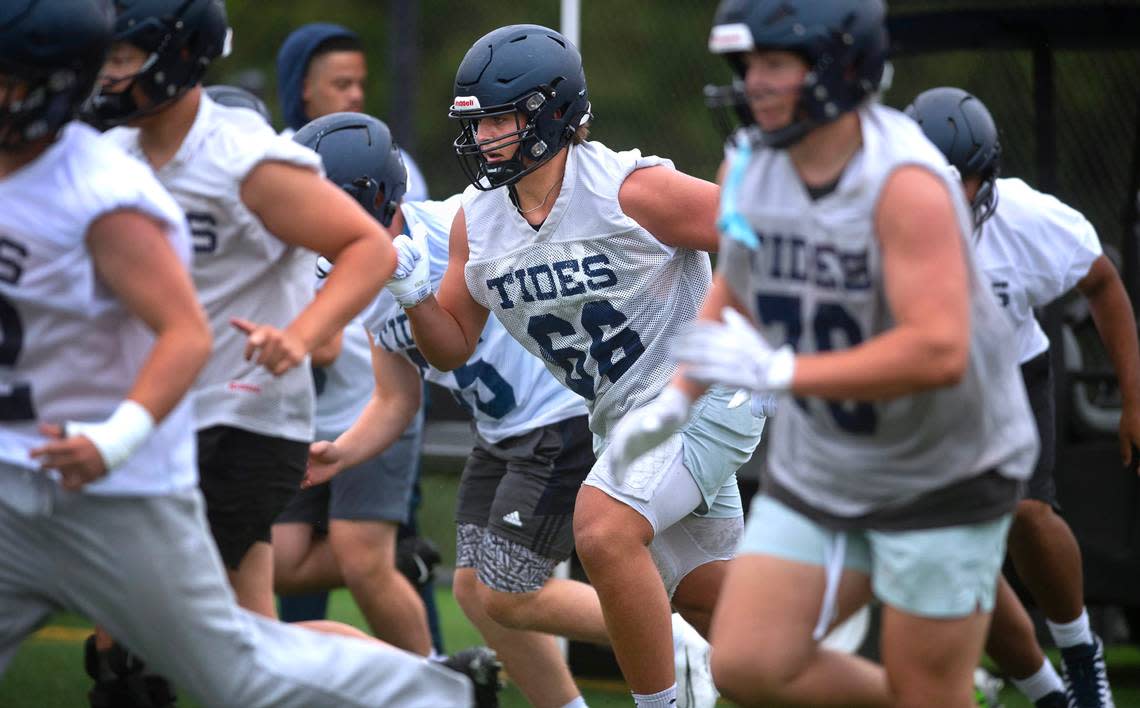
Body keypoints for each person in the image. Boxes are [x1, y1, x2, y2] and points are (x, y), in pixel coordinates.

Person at [0, 2, 487, 706]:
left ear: (179, 52)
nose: (109, 73)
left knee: (156, 656)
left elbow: (368, 247)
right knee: (232, 646)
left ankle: (429, 690)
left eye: (126, 55)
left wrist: (300, 334)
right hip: (162, 422)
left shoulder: (244, 155)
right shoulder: (111, 157)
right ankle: (434, 685)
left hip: (242, 424)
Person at [623, 2, 1039, 706]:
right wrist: (679, 395)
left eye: (775, 63)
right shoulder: (754, 159)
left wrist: (786, 372)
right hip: (829, 459)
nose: (755, 82)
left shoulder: (904, 181)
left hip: (942, 466)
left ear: (844, 66)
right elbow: (740, 284)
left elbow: (938, 350)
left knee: (927, 686)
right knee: (750, 661)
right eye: (748, 65)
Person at [386, 24, 765, 707]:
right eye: (477, 124)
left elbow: (754, 231)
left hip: (705, 395)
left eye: (501, 119)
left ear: (552, 113)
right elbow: (451, 345)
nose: (485, 139)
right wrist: (412, 291)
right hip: (624, 420)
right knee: (726, 621)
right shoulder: (480, 221)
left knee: (602, 527)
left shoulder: (630, 190)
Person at [908, 86, 1131, 708]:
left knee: (1027, 514)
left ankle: (1084, 657)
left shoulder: (1030, 221)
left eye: (954, 182)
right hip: (922, 398)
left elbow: (1104, 284)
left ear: (985, 176)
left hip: (1009, 376)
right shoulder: (875, 223)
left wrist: (1135, 398)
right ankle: (1048, 696)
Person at [273, 22, 442, 650]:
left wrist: (299, 334)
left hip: (373, 389)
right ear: (303, 93)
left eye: (361, 83)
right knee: (281, 563)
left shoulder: (385, 165)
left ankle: (437, 680)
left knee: (363, 555)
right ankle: (405, 564)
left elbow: (379, 272)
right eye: (339, 84)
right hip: (305, 406)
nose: (354, 95)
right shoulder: (277, 171)